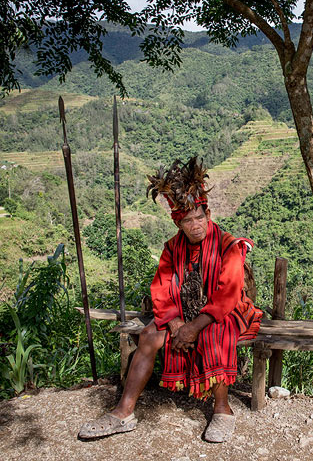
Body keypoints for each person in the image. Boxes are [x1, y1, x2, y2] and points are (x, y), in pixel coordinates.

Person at [78, 157, 262, 442]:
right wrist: (176, 323)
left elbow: (227, 295)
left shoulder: (228, 246)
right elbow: (161, 289)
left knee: (215, 335)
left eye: (199, 217)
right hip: (182, 315)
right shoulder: (172, 249)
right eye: (187, 220)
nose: (195, 225)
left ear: (208, 213)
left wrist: (193, 326)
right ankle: (123, 412)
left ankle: (223, 410)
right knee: (150, 336)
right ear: (179, 222)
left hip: (225, 312)